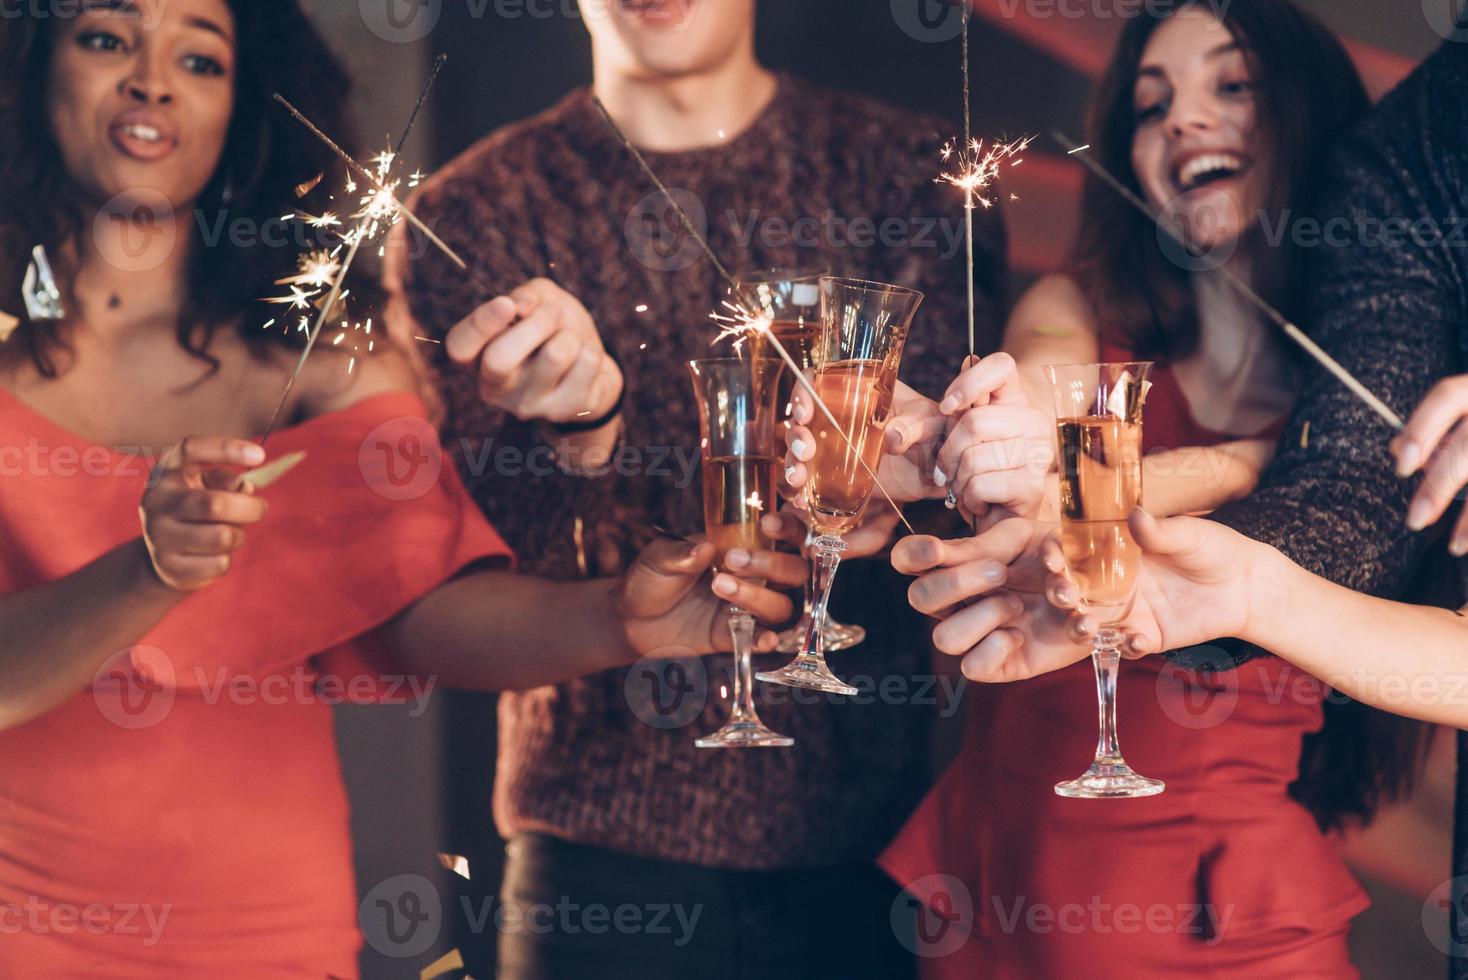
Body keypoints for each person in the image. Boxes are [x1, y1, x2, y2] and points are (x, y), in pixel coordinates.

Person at [0, 2, 800, 975]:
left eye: (201, 57)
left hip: (267, 926)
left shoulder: (332, 360)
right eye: (105, 37)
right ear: (32, 67)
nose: (152, 79)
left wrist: (619, 619)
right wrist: (152, 569)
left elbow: (421, 616)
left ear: (249, 105)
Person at [788, 1, 1439, 975]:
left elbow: (1327, 477)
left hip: (1224, 927)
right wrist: (968, 447)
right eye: (1149, 104)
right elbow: (1048, 418)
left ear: (1311, 117)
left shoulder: (1386, 410)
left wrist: (1240, 462)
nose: (1180, 120)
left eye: (1231, 85)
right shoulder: (1071, 310)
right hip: (990, 906)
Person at [386, 0, 1001, 975]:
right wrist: (582, 433)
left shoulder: (909, 174)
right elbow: (493, 574)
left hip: (868, 854)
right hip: (591, 868)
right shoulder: (471, 211)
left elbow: (961, 494)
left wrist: (912, 480)